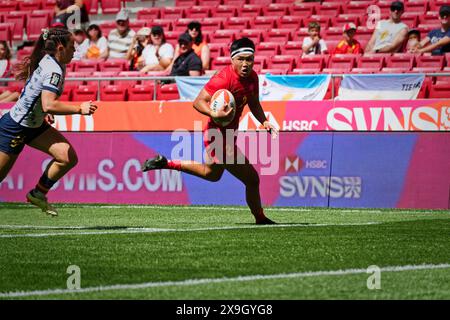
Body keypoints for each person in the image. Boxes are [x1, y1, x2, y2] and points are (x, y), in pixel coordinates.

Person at [141, 37, 278, 225]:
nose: (245, 64)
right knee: (252, 179)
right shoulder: (223, 78)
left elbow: (254, 103)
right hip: (217, 136)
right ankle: (260, 218)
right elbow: (198, 101)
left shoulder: (252, 78)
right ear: (232, 59)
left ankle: (166, 163)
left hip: (228, 136)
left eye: (249, 59)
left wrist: (264, 121)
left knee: (211, 174)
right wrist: (214, 112)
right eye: (241, 59)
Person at [0, 28, 98, 216]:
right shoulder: (54, 69)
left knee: (67, 157)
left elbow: (35, 93)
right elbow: (48, 103)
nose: (75, 51)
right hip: (15, 128)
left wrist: (43, 110)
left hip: (34, 125)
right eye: (72, 47)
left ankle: (38, 193)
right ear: (60, 48)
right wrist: (79, 109)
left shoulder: (53, 61)